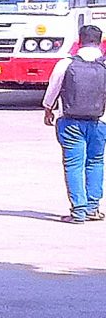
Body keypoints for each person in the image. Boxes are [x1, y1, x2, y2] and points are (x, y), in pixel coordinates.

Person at [42, 22, 106, 222]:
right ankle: (93, 208)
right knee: (95, 161)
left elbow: (53, 89)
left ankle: (78, 210)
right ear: (100, 42)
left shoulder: (66, 63)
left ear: (80, 41)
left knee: (73, 164)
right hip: (100, 122)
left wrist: (48, 109)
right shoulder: (104, 64)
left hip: (70, 122)